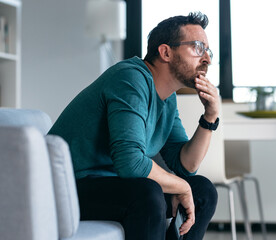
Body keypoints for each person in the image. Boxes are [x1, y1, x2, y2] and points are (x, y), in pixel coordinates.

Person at [49, 11, 219, 240]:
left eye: (207, 50)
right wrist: (181, 187)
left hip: (114, 184)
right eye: (198, 47)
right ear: (166, 52)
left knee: (203, 191)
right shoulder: (130, 78)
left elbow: (185, 166)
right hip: (71, 186)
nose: (206, 58)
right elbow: (130, 163)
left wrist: (210, 115)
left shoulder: (168, 98)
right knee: (148, 193)